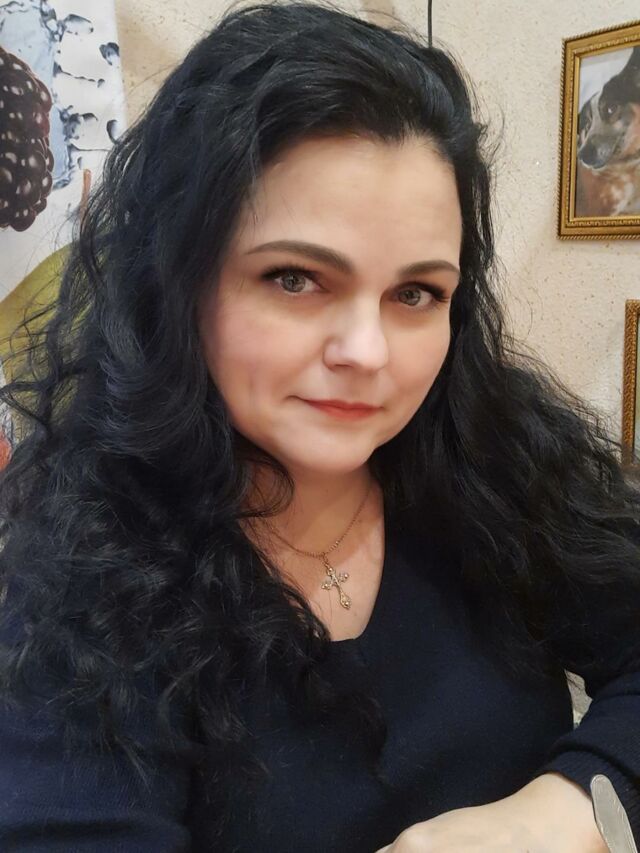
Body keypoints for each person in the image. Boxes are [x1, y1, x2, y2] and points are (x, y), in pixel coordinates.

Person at [0, 1, 639, 850]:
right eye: (295, 278)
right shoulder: (76, 581)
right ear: (179, 281)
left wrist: (564, 810)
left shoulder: (492, 456)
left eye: (416, 292)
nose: (367, 351)